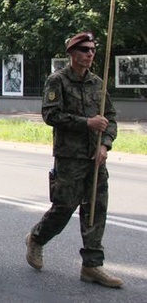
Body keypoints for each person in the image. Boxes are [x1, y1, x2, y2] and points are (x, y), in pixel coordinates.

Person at [25, 32, 123, 288]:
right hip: (70, 158)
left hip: (95, 158)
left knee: (95, 210)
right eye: (85, 50)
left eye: (92, 50)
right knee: (64, 208)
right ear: (72, 53)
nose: (90, 54)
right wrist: (87, 123)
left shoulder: (97, 83)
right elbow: (50, 115)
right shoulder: (57, 81)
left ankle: (92, 265)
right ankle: (36, 238)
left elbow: (110, 117)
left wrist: (105, 144)